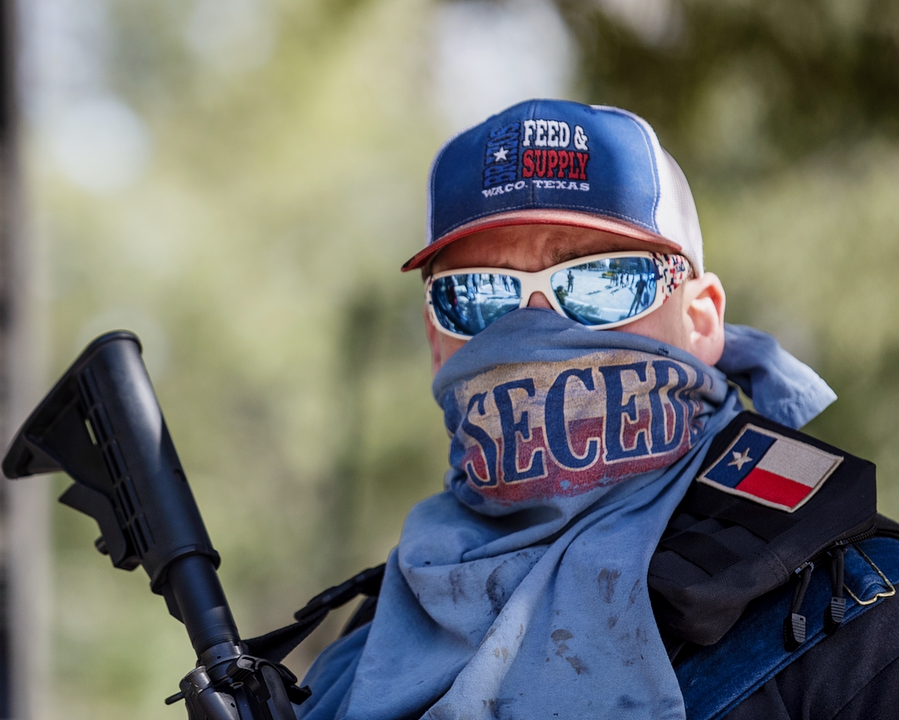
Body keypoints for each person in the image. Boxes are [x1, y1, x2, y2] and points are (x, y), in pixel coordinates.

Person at [294, 100, 899, 720]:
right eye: (477, 295)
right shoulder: (369, 639)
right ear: (434, 340)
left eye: (602, 280)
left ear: (700, 320)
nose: (533, 326)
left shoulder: (855, 613)